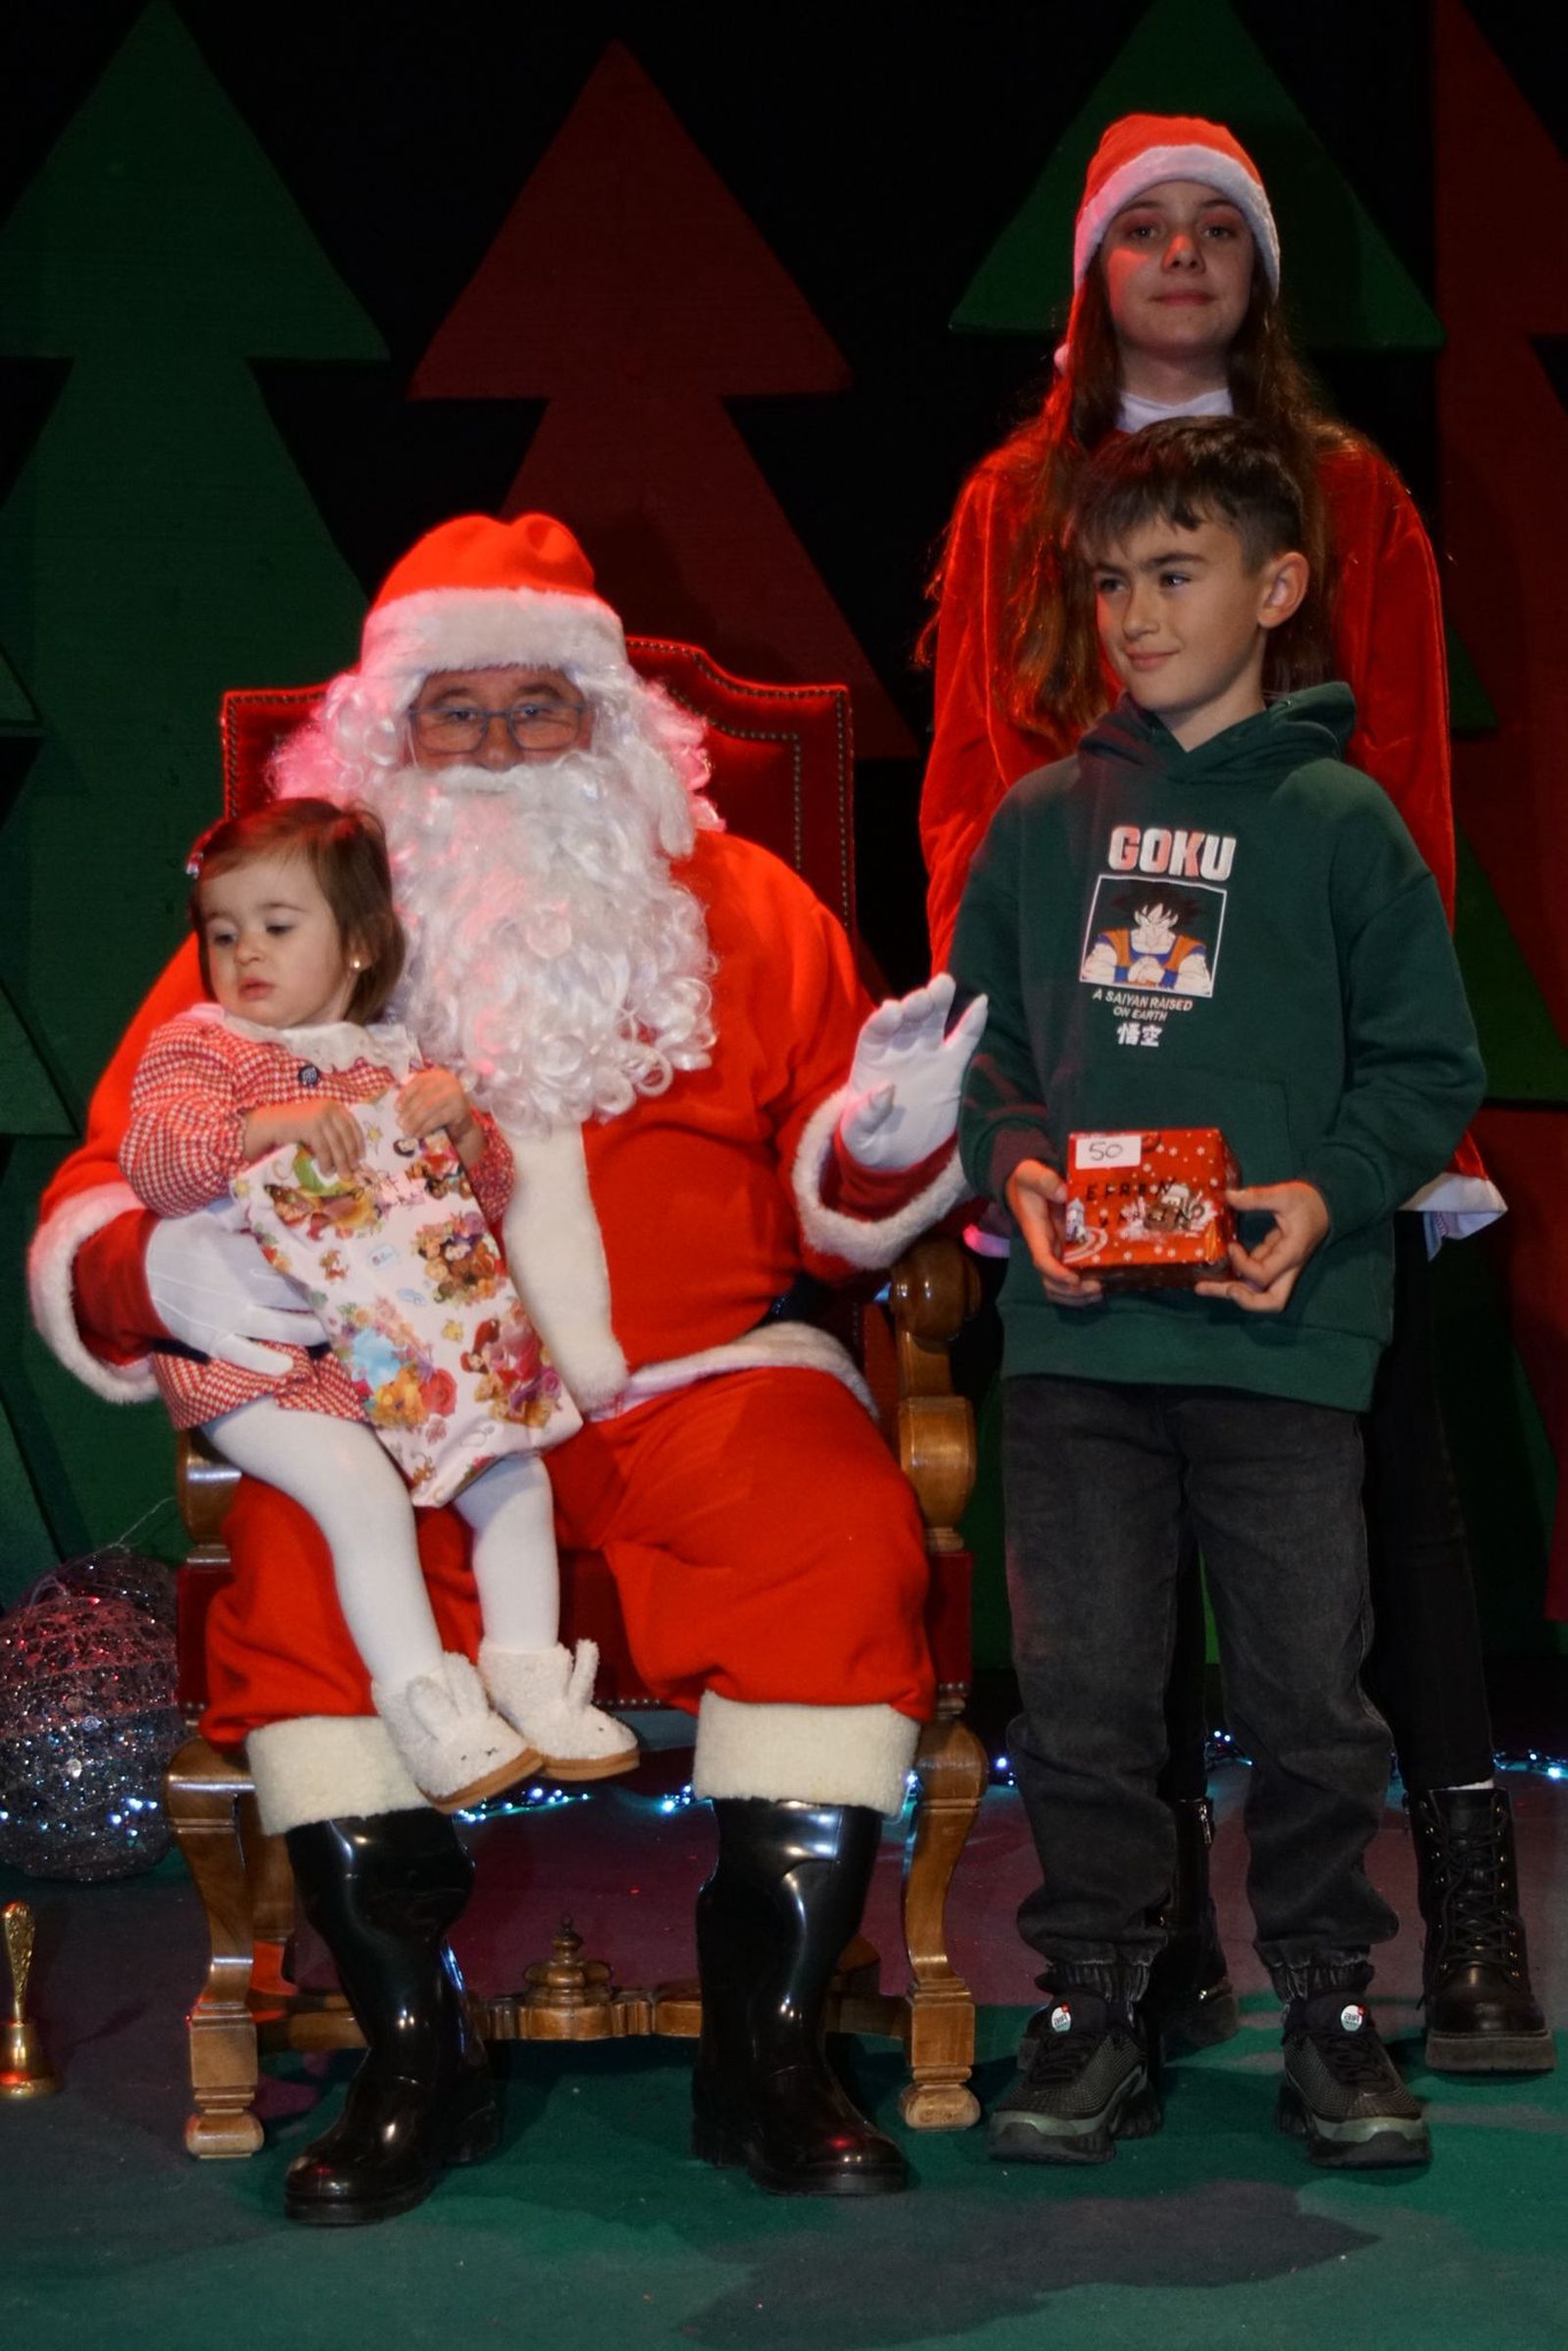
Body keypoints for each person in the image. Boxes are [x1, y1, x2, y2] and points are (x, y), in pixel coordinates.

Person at [29, 511, 983, 2223]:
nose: (492, 747)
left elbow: (847, 1196)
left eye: (534, 706)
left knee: (840, 1532)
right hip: (396, 1411)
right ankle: (416, 2050)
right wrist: (159, 1260)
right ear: (385, 732)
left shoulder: (748, 908)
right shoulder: (285, 921)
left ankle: (765, 2047)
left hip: (709, 1380)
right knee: (302, 1568)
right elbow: (108, 1173)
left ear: (610, 725)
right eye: (452, 713)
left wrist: (893, 1140)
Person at [921, 112, 1550, 2074]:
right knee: (1097, 1627)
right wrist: (994, 1097)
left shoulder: (1348, 495)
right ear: (1090, 272)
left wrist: (1367, 1121)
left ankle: (1423, 1938)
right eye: (1142, 231)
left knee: (1358, 1538)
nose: (1179, 257)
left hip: (1292, 1114)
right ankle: (1124, 1967)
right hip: (1085, 1125)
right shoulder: (1009, 499)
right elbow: (970, 789)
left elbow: (1396, 822)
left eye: (1216, 228)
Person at [953, 415, 1486, 2168]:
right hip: (1081, 1339)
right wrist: (1015, 1161)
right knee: (1090, 1691)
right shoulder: (1038, 824)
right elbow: (987, 1053)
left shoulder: (1343, 822)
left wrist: (1317, 1195)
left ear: (1276, 586)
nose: (1134, 611)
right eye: (1111, 581)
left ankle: (1331, 1998)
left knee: (1313, 1690)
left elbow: (1426, 1063)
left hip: (1280, 1334)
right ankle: (1096, 1992)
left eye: (1174, 574)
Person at [119, 795, 633, 1809]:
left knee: (514, 1471)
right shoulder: (204, 1047)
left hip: (407, 1348)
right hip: (269, 1362)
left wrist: (469, 1135)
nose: (244, 955)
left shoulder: (392, 1058)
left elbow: (468, 1215)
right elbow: (157, 1163)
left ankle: (528, 1671)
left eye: (276, 926)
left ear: (357, 945)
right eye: (223, 933)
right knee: (359, 1494)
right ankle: (425, 1705)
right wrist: (261, 1127)